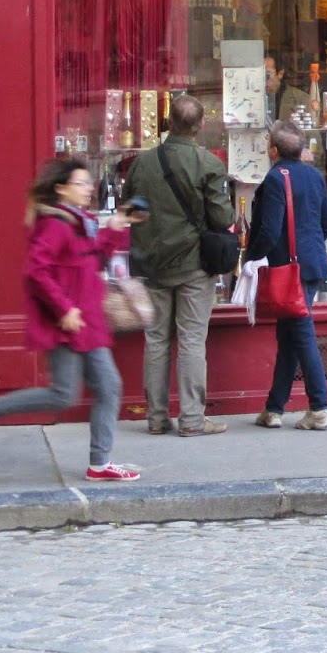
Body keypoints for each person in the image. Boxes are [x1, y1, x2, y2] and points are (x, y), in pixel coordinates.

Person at [0, 158, 144, 480]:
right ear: (61, 189)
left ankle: (99, 464)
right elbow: (36, 272)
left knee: (109, 386)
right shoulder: (56, 225)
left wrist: (116, 226)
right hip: (67, 325)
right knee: (63, 394)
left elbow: (92, 259)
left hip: (88, 322)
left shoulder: (80, 221)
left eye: (88, 183)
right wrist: (64, 310)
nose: (88, 188)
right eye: (81, 183)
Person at [124, 92, 233, 436]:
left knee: (156, 340)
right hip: (193, 264)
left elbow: (129, 209)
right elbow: (223, 217)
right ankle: (192, 419)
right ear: (200, 126)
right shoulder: (209, 163)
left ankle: (156, 418)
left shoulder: (142, 162)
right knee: (191, 342)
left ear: (169, 122)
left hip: (153, 264)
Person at [245, 120, 327, 430]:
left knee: (301, 333)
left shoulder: (274, 178)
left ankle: (320, 408)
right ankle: (274, 408)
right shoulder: (314, 176)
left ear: (272, 150)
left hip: (288, 268)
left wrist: (250, 258)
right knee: (288, 336)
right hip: (312, 265)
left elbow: (269, 230)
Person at [264, 54, 315, 124]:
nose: (263, 79)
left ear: (280, 74)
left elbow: (311, 129)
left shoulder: (300, 99)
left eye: (267, 74)